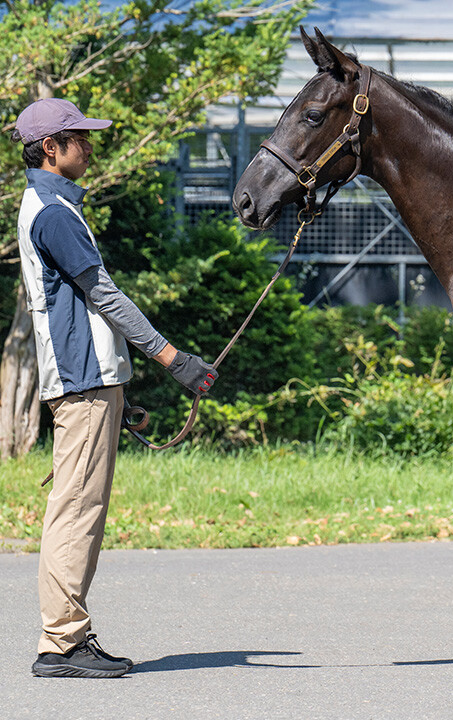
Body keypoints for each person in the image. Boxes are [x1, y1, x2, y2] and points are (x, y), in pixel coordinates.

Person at [12, 98, 218, 678]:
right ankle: (61, 644)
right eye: (79, 137)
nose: (90, 145)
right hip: (83, 382)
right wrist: (173, 359)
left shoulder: (49, 206)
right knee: (76, 511)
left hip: (89, 380)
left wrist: (119, 391)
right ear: (51, 148)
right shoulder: (52, 212)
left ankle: (66, 637)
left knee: (77, 508)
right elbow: (102, 295)